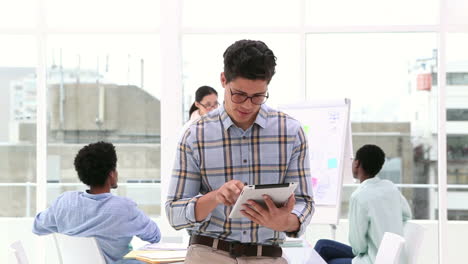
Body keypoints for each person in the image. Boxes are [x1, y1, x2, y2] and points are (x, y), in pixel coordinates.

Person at [166, 39, 314, 264]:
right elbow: (174, 212)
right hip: (208, 254)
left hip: (267, 256)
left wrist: (285, 222)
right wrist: (215, 197)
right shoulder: (195, 135)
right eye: (239, 94)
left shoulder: (290, 132)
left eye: (258, 97)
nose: (247, 105)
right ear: (223, 80)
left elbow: (305, 201)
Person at [32, 141, 161, 264]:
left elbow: (37, 227)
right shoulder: (124, 208)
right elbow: (154, 236)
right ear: (111, 175)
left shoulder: (64, 202)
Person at [314, 144, 412, 264]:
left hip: (372, 260)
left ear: (357, 163)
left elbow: (358, 247)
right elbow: (407, 216)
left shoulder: (359, 197)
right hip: (392, 258)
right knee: (322, 245)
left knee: (330, 260)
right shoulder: (391, 188)